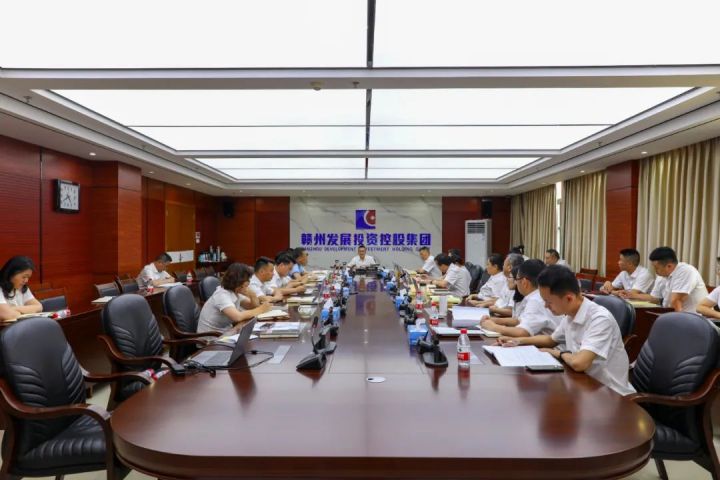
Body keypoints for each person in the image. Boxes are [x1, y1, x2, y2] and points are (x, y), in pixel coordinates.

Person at [497, 265, 635, 396]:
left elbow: (579, 363)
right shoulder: (570, 313)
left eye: (549, 302)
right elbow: (551, 340)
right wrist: (517, 341)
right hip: (583, 384)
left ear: (569, 298)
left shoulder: (600, 319)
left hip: (610, 394)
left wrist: (557, 353)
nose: (545, 306)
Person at [481, 259, 559, 337]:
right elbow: (520, 320)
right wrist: (496, 320)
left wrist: (493, 327)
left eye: (517, 279)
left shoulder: (536, 300)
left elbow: (522, 332)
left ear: (524, 282)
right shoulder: (535, 296)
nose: (516, 283)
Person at [196, 263, 272, 336]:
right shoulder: (222, 294)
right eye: (247, 279)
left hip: (226, 333)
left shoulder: (235, 292)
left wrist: (252, 295)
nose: (248, 282)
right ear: (238, 280)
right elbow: (237, 317)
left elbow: (252, 306)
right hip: (211, 338)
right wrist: (261, 309)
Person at [646, 247, 707, 313]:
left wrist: (672, 319)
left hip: (693, 316)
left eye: (656, 268)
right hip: (670, 313)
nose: (655, 271)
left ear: (669, 266)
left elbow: (676, 301)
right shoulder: (662, 276)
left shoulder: (685, 271)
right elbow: (654, 298)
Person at [0, 256, 43, 321]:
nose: (26, 281)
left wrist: (13, 309)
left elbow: (39, 307)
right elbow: (7, 315)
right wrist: (26, 310)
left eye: (28, 277)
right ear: (11, 273)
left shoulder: (22, 287)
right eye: (24, 277)